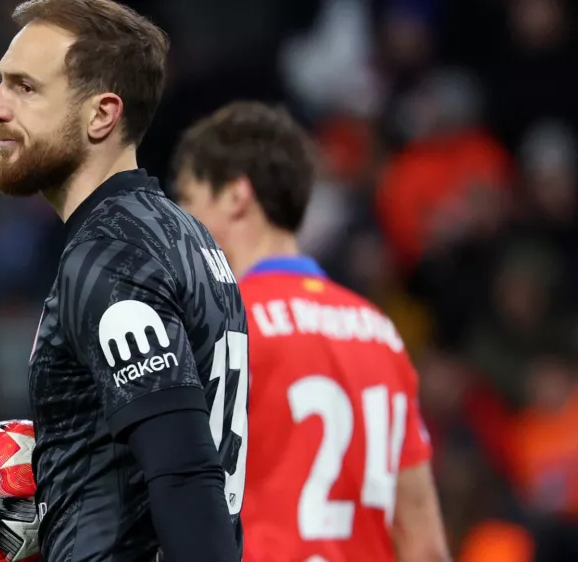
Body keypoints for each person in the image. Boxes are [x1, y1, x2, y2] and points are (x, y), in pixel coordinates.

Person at [0, 1, 249, 561]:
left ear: (101, 115)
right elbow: (138, 481)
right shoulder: (183, 236)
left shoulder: (111, 255)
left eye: (24, 88)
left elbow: (186, 476)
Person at [172, 101, 451, 562]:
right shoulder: (380, 333)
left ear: (237, 196)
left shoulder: (219, 326)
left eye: (188, 198)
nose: (179, 222)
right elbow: (425, 546)